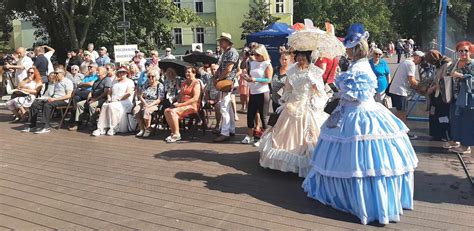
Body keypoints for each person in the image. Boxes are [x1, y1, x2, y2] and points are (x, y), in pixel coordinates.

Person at [303, 23, 418, 225]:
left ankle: (358, 200)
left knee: (357, 160)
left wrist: (338, 90)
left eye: (348, 47)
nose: (346, 50)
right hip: (367, 110)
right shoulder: (362, 65)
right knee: (372, 160)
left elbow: (354, 96)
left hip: (357, 114)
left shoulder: (357, 68)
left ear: (354, 49)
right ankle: (378, 200)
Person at [259, 49, 329, 176]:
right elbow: (288, 89)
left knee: (309, 135)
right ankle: (282, 164)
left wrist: (314, 83)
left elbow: (320, 92)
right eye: (299, 56)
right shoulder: (291, 70)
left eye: (304, 57)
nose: (301, 59)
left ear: (308, 57)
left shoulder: (314, 71)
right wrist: (285, 101)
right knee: (281, 134)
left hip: (307, 105)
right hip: (292, 104)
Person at [23, 68, 74, 134]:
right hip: (53, 99)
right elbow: (51, 93)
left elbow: (68, 96)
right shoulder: (56, 81)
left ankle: (46, 126)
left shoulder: (67, 82)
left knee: (47, 105)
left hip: (63, 101)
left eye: (56, 73)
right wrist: (44, 98)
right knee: (35, 104)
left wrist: (54, 99)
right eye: (54, 73)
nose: (55, 74)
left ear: (62, 74)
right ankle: (32, 125)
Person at [240, 44, 272, 145]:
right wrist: (247, 77)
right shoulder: (253, 63)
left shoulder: (267, 64)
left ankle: (264, 139)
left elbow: (269, 79)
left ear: (263, 54)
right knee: (250, 115)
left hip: (263, 93)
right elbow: (249, 73)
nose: (255, 57)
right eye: (254, 54)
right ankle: (250, 136)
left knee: (263, 117)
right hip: (253, 91)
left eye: (258, 55)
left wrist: (255, 79)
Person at [388, 51, 424, 139]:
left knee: (399, 111)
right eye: (421, 60)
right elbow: (411, 80)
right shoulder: (410, 64)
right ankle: (403, 133)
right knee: (402, 113)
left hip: (395, 90)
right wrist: (421, 88)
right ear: (418, 57)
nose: (420, 62)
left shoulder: (405, 62)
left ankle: (394, 129)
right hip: (400, 91)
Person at [446, 41, 474, 154]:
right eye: (460, 51)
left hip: (467, 98)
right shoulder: (456, 62)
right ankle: (456, 141)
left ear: (470, 51)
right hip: (455, 97)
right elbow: (448, 72)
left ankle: (466, 146)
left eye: (466, 50)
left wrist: (461, 76)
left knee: (467, 121)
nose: (463, 53)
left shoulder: (472, 64)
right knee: (456, 120)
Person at [92, 66, 135, 136]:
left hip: (124, 101)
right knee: (105, 105)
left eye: (123, 72)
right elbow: (109, 92)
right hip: (113, 100)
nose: (121, 74)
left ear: (126, 73)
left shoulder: (130, 82)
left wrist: (118, 99)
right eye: (120, 72)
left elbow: (129, 93)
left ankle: (113, 127)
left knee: (112, 106)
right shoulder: (115, 81)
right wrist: (109, 98)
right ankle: (101, 127)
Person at [213, 32, 240, 142]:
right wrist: (216, 75)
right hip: (226, 81)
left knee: (224, 107)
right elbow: (222, 67)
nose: (220, 42)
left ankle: (225, 132)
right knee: (227, 107)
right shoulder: (226, 52)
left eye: (221, 40)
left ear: (227, 42)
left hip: (227, 82)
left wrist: (219, 79)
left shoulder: (232, 52)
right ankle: (231, 129)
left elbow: (229, 68)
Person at [164, 66, 201, 143]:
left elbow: (195, 99)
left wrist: (181, 104)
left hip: (192, 106)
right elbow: (180, 94)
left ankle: (177, 134)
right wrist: (175, 99)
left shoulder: (196, 83)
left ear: (194, 73)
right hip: (182, 104)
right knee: (167, 111)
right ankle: (173, 132)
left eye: (189, 72)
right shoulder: (184, 82)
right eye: (186, 72)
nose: (187, 73)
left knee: (173, 112)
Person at [422, 50, 452, 141]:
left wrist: (433, 88)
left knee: (442, 114)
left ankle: (443, 134)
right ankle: (436, 133)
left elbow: (444, 80)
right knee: (434, 113)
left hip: (442, 94)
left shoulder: (446, 64)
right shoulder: (439, 64)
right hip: (436, 94)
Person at [69, 66, 112, 131]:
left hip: (102, 99)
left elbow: (106, 92)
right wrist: (88, 99)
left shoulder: (107, 79)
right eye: (97, 70)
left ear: (104, 72)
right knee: (79, 104)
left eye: (98, 70)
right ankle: (78, 123)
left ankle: (93, 124)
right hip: (93, 98)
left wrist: (95, 99)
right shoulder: (96, 80)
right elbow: (91, 91)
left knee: (92, 105)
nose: (97, 71)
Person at [134, 68, 164, 137]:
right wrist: (145, 103)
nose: (150, 78)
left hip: (154, 103)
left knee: (147, 111)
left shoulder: (160, 85)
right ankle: (142, 129)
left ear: (156, 77)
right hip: (145, 101)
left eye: (152, 76)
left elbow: (160, 99)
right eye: (149, 76)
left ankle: (148, 128)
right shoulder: (146, 84)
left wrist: (149, 105)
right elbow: (140, 95)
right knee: (136, 110)